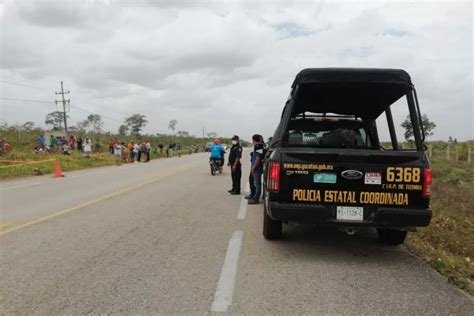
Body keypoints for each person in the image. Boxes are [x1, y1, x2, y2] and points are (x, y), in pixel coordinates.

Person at [248, 134, 265, 204]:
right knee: (256, 183)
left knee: (257, 184)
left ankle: (256, 199)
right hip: (257, 167)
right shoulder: (259, 146)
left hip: (257, 168)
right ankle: (255, 197)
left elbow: (258, 158)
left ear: (254, 140)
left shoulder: (258, 146)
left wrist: (254, 167)